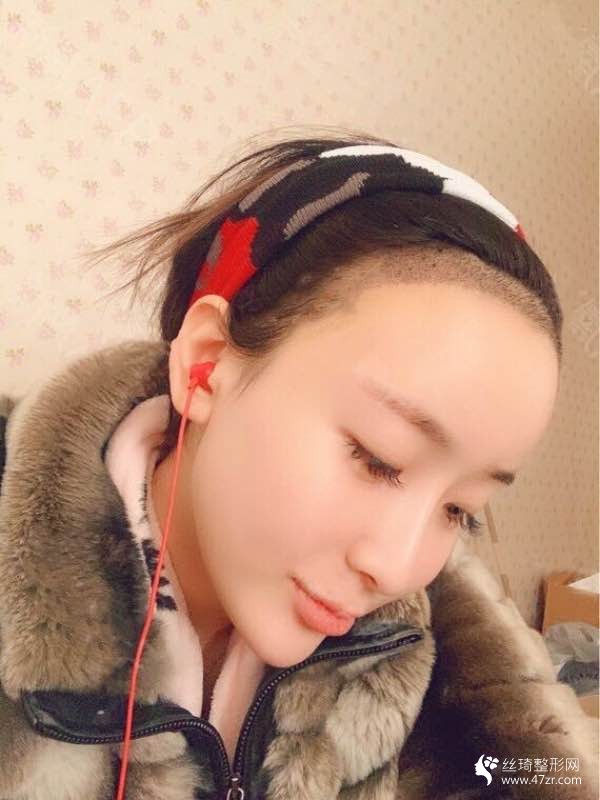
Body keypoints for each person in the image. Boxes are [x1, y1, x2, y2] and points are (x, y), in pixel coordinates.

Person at [0, 130, 596, 800]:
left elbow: (536, 773)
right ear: (205, 366)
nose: (397, 568)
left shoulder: (414, 646)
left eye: (460, 509)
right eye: (378, 460)